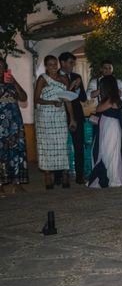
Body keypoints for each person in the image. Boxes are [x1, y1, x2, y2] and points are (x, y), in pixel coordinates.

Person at [34, 55, 77, 189]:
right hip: (45, 117)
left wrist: (72, 118)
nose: (53, 67)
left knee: (61, 145)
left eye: (55, 64)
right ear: (46, 66)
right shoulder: (42, 79)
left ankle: (65, 174)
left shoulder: (64, 79)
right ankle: (48, 175)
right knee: (46, 146)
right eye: (50, 64)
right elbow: (36, 100)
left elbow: (67, 100)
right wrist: (51, 102)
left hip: (60, 116)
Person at [87, 75, 122, 188]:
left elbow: (98, 109)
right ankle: (111, 176)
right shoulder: (112, 98)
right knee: (106, 150)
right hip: (107, 125)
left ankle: (113, 177)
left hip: (111, 127)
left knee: (109, 151)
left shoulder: (111, 99)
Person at [0, 58, 29, 194]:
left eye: (2, 66)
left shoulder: (11, 84)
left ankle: (16, 183)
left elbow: (24, 98)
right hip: (1, 126)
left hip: (14, 125)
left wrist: (15, 82)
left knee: (16, 152)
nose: (0, 69)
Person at [58, 52, 87, 184]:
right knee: (60, 146)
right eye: (70, 62)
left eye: (73, 63)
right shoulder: (55, 76)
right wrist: (71, 86)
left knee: (79, 145)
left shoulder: (77, 76)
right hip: (60, 115)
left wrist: (78, 88)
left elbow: (83, 98)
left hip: (77, 114)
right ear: (63, 63)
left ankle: (80, 175)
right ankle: (59, 177)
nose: (72, 65)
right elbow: (60, 98)